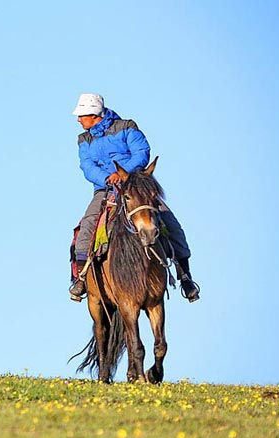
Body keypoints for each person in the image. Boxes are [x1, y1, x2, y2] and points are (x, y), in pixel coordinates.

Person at [70, 93, 200, 302]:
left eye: (82, 115)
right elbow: (87, 165)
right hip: (105, 189)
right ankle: (81, 278)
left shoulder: (127, 126)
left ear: (94, 115)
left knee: (169, 222)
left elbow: (142, 152)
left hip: (135, 185)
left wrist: (124, 173)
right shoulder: (83, 139)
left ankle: (185, 276)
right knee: (87, 226)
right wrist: (107, 178)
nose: (78, 120)